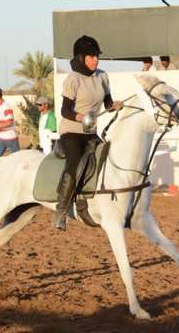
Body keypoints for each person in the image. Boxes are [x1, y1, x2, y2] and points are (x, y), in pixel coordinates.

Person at [55, 35, 123, 230]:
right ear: (80, 58)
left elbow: (108, 103)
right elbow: (65, 111)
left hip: (91, 132)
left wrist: (114, 106)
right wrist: (82, 117)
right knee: (75, 164)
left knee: (107, 158)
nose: (96, 60)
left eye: (97, 56)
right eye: (92, 57)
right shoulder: (73, 79)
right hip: (72, 132)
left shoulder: (102, 76)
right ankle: (61, 210)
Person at [0, 87, 20, 157]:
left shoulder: (6, 106)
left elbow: (10, 122)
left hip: (10, 138)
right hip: (1, 139)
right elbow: (1, 122)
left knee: (18, 159)